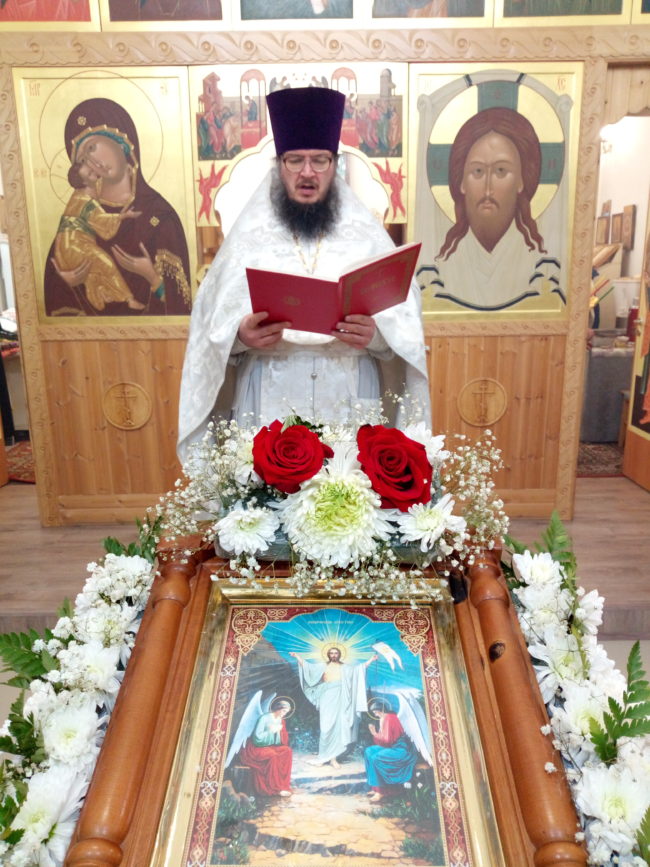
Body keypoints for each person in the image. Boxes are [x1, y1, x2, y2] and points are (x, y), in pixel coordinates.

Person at [177, 86, 429, 464]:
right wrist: (240, 337)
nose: (307, 173)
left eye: (320, 160)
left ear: (335, 164)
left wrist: (376, 337)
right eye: (295, 160)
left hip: (349, 390)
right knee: (267, 492)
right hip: (267, 392)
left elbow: (406, 334)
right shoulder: (247, 239)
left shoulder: (368, 237)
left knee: (348, 491)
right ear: (279, 165)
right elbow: (208, 331)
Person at [44, 98, 192, 317]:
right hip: (90, 339)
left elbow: (183, 307)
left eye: (92, 147)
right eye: (83, 158)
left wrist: (152, 277)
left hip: (154, 339)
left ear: (123, 142)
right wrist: (65, 282)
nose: (93, 160)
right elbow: (52, 306)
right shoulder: (78, 219)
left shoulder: (160, 217)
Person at [426, 106, 563, 311]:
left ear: (521, 180)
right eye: (477, 171)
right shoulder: (440, 266)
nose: (488, 188)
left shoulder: (543, 267)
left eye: (501, 171)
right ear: (461, 182)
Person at [54, 159, 145, 312]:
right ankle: (129, 299)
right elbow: (102, 221)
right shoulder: (86, 200)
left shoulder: (79, 194)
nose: (95, 173)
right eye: (90, 173)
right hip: (75, 246)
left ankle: (98, 295)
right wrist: (123, 216)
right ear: (84, 182)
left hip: (65, 247)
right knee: (106, 263)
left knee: (93, 271)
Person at [290, 646, 376, 767]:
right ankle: (323, 756)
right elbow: (307, 667)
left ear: (339, 654)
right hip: (326, 697)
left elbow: (359, 670)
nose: (334, 655)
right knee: (326, 727)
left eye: (336, 653)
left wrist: (371, 659)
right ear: (328, 655)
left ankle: (333, 759)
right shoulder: (322, 666)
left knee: (339, 727)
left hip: (341, 697)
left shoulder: (345, 667)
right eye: (331, 653)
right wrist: (297, 656)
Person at [364, 698, 418, 803]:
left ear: (380, 709)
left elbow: (388, 741)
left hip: (401, 750)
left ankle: (381, 792)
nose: (375, 714)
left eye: (376, 712)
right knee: (369, 751)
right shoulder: (383, 718)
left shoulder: (390, 718)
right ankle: (376, 788)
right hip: (392, 747)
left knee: (376, 758)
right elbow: (382, 742)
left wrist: (374, 733)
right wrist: (376, 734)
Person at [238, 699, 293, 797]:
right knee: (273, 756)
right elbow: (257, 738)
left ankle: (283, 784)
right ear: (278, 708)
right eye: (284, 711)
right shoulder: (264, 718)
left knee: (287, 751)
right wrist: (271, 731)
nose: (284, 714)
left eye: (286, 712)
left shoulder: (281, 721)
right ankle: (275, 788)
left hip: (271, 746)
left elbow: (282, 742)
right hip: (256, 747)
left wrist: (281, 732)